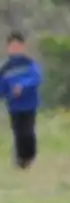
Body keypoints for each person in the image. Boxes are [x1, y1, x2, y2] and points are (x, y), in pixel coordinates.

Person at [1, 32, 42, 169]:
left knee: (28, 132)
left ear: (23, 47)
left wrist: (22, 86)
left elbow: (36, 78)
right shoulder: (5, 68)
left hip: (29, 105)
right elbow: (2, 86)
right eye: (12, 46)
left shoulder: (29, 64)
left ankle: (29, 156)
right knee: (18, 133)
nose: (15, 49)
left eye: (17, 46)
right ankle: (20, 160)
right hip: (14, 106)